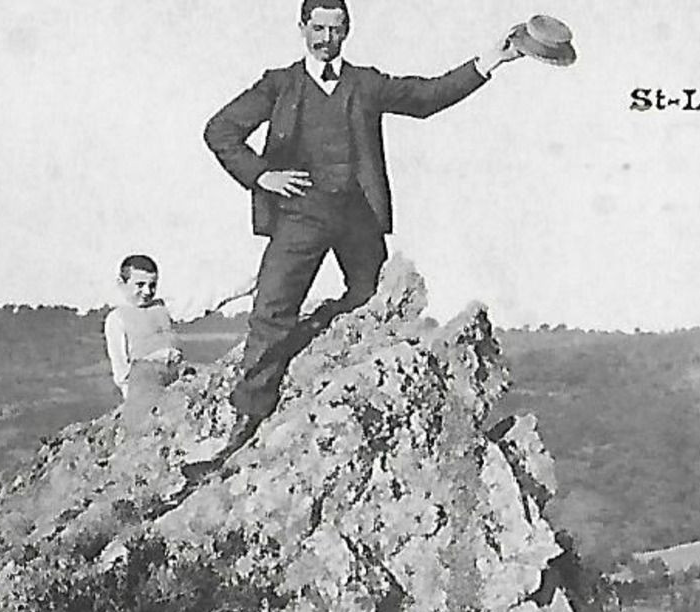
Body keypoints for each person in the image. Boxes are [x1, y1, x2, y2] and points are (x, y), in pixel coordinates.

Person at [203, 0, 523, 445]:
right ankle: (249, 417)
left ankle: (326, 345)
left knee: (374, 302)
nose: (325, 39)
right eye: (317, 28)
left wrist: (491, 61)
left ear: (347, 32)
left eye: (335, 30)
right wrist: (261, 176)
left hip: (357, 217)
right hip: (300, 214)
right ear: (302, 28)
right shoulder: (278, 85)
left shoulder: (365, 83)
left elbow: (427, 97)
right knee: (272, 310)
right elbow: (220, 130)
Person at [103, 254, 253, 439]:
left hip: (176, 372)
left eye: (152, 285)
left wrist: (247, 287)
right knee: (152, 429)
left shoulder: (163, 306)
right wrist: (133, 398)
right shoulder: (117, 317)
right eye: (139, 285)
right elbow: (120, 368)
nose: (147, 291)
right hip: (145, 379)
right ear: (121, 283)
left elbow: (202, 302)